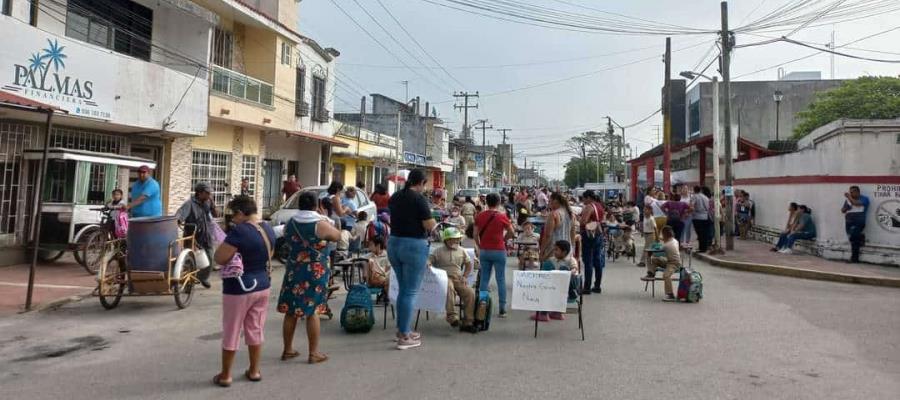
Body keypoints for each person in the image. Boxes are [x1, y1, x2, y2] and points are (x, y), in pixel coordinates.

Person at [212, 195, 275, 387]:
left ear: (241, 213)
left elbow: (220, 258)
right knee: (255, 328)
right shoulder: (267, 229)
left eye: (233, 215)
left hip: (239, 288)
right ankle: (254, 371)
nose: (232, 220)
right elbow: (269, 254)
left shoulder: (240, 232)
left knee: (232, 330)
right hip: (262, 285)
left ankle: (226, 375)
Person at [277, 191, 341, 364]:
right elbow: (337, 235)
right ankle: (313, 353)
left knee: (291, 311)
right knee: (313, 311)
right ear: (316, 205)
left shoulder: (291, 223)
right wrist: (324, 215)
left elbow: (286, 236)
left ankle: (288, 349)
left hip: (294, 269)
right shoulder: (320, 224)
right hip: (315, 271)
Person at [387, 169, 436, 350]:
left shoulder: (396, 196)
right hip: (413, 245)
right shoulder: (419, 199)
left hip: (393, 243)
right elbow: (429, 225)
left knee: (403, 289)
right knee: (410, 292)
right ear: (421, 182)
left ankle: (402, 329)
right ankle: (405, 336)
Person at [428, 227, 477, 333]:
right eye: (452, 239)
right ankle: (452, 317)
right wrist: (428, 263)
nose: (455, 241)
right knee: (449, 288)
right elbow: (429, 260)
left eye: (457, 239)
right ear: (446, 240)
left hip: (458, 278)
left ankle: (468, 321)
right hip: (443, 278)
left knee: (470, 293)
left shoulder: (462, 250)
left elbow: (468, 264)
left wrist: (465, 276)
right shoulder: (438, 251)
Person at [475, 193, 516, 318]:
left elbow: (475, 234)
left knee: (484, 278)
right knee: (500, 279)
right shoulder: (502, 216)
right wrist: (504, 239)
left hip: (485, 251)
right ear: (498, 203)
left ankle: (482, 305)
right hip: (499, 250)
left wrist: (480, 245)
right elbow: (512, 232)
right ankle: (502, 309)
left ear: (486, 202)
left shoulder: (480, 216)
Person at [175, 182, 219, 288]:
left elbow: (216, 214)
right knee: (190, 261)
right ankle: (187, 284)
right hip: (193, 236)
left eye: (210, 193)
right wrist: (178, 220)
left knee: (209, 259)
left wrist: (213, 205)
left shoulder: (208, 202)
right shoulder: (189, 204)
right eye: (207, 193)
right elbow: (179, 215)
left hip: (206, 235)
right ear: (199, 193)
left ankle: (203, 278)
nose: (209, 195)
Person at [641, 226, 681, 302]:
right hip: (669, 261)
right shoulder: (674, 240)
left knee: (666, 275)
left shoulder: (667, 245)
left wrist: (649, 254)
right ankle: (651, 273)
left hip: (674, 263)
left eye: (663, 234)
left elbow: (657, 249)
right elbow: (661, 239)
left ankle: (670, 294)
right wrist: (657, 234)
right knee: (656, 260)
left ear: (665, 235)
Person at [578, 190, 605, 294]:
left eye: (584, 198)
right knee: (597, 260)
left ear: (588, 197)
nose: (583, 200)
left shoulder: (589, 207)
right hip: (598, 233)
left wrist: (579, 219)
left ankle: (587, 287)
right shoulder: (599, 205)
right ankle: (597, 285)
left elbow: (583, 221)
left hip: (589, 234)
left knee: (588, 260)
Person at [841, 186, 870, 263]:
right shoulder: (848, 200)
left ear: (858, 192)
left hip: (858, 222)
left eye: (852, 192)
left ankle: (854, 258)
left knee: (853, 238)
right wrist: (847, 208)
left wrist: (849, 197)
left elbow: (856, 203)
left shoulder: (864, 198)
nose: (851, 193)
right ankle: (860, 237)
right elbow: (842, 210)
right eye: (850, 192)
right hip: (849, 222)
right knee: (852, 238)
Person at [690, 186, 712, 253]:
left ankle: (701, 248)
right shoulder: (706, 197)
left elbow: (692, 206)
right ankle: (704, 248)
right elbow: (708, 207)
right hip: (705, 216)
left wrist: (690, 212)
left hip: (697, 217)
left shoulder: (694, 196)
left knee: (699, 233)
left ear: (694, 190)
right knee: (704, 233)